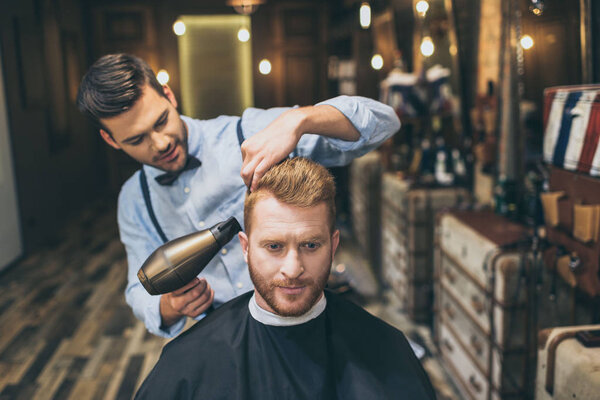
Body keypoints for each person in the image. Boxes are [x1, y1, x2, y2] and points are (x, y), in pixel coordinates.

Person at [77, 53, 400, 338]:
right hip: (224, 341)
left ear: (169, 95)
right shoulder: (135, 200)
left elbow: (384, 122)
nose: (160, 143)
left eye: (161, 121)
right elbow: (138, 290)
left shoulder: (249, 132)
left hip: (307, 324)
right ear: (110, 139)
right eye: (136, 139)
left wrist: (300, 120)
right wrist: (169, 306)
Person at [134, 158, 436, 399]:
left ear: (333, 245)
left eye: (310, 245)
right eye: (274, 246)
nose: (292, 269)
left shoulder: (386, 350)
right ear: (246, 248)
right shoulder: (187, 362)